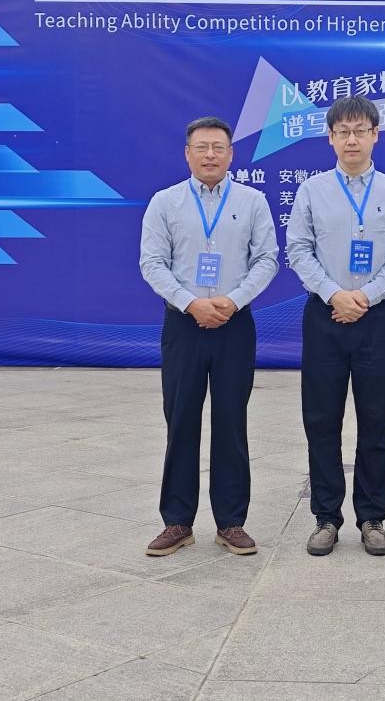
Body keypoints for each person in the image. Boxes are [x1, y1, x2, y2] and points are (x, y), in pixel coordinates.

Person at [139, 117, 279, 557]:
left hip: (235, 324)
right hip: (183, 325)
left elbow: (268, 259)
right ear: (188, 153)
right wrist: (190, 303)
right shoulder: (165, 202)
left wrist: (232, 301)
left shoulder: (252, 201)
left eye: (219, 147)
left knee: (231, 422)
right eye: (202, 147)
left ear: (231, 153)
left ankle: (231, 522)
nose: (211, 155)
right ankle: (177, 521)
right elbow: (152, 263)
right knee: (181, 420)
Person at [287, 96, 385, 556]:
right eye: (342, 131)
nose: (352, 139)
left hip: (375, 317)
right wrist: (334, 294)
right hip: (324, 314)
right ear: (330, 138)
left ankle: (372, 517)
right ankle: (326, 516)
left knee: (376, 420)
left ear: (375, 135)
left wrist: (366, 296)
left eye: (360, 130)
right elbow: (299, 250)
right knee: (322, 420)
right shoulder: (312, 191)